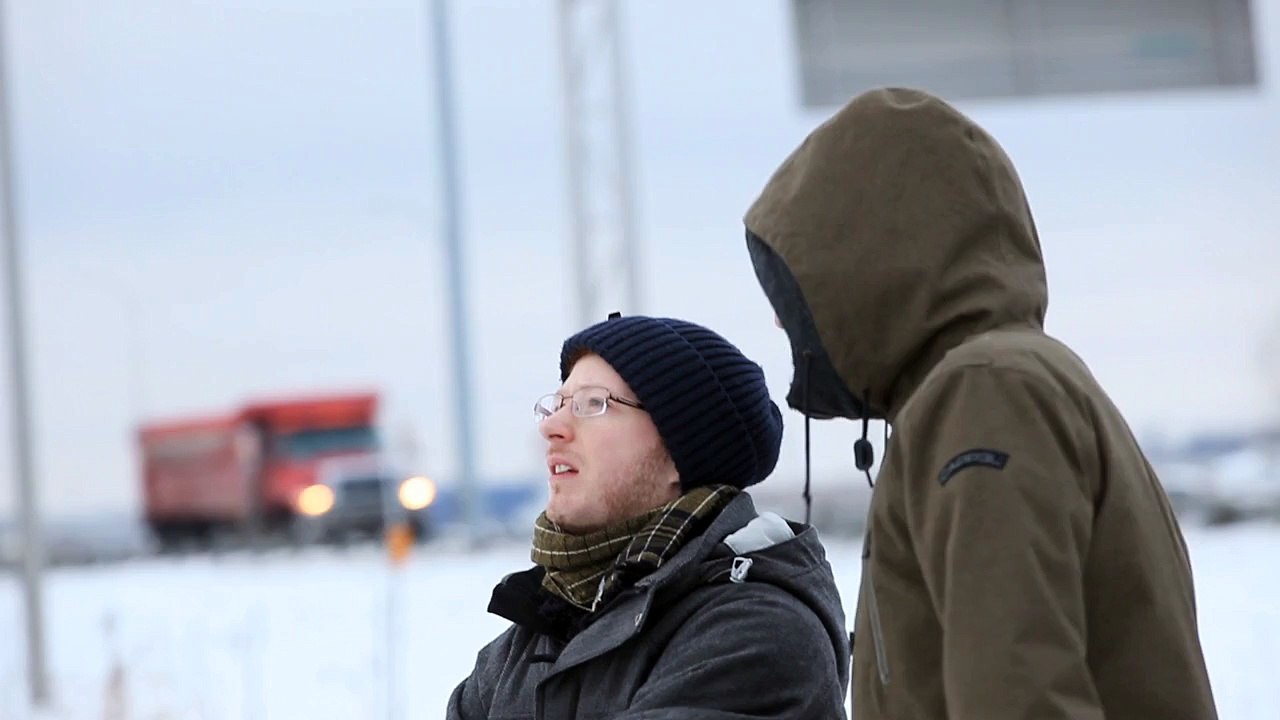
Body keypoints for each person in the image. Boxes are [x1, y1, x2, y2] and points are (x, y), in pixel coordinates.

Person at [742, 87, 1218, 719]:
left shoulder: (984, 394)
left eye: (798, 288)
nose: (780, 321)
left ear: (876, 262)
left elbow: (1019, 696)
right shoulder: (1014, 379)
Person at [446, 313, 850, 719]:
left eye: (592, 403)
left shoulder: (756, 631)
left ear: (681, 453)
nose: (552, 426)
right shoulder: (530, 641)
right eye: (557, 404)